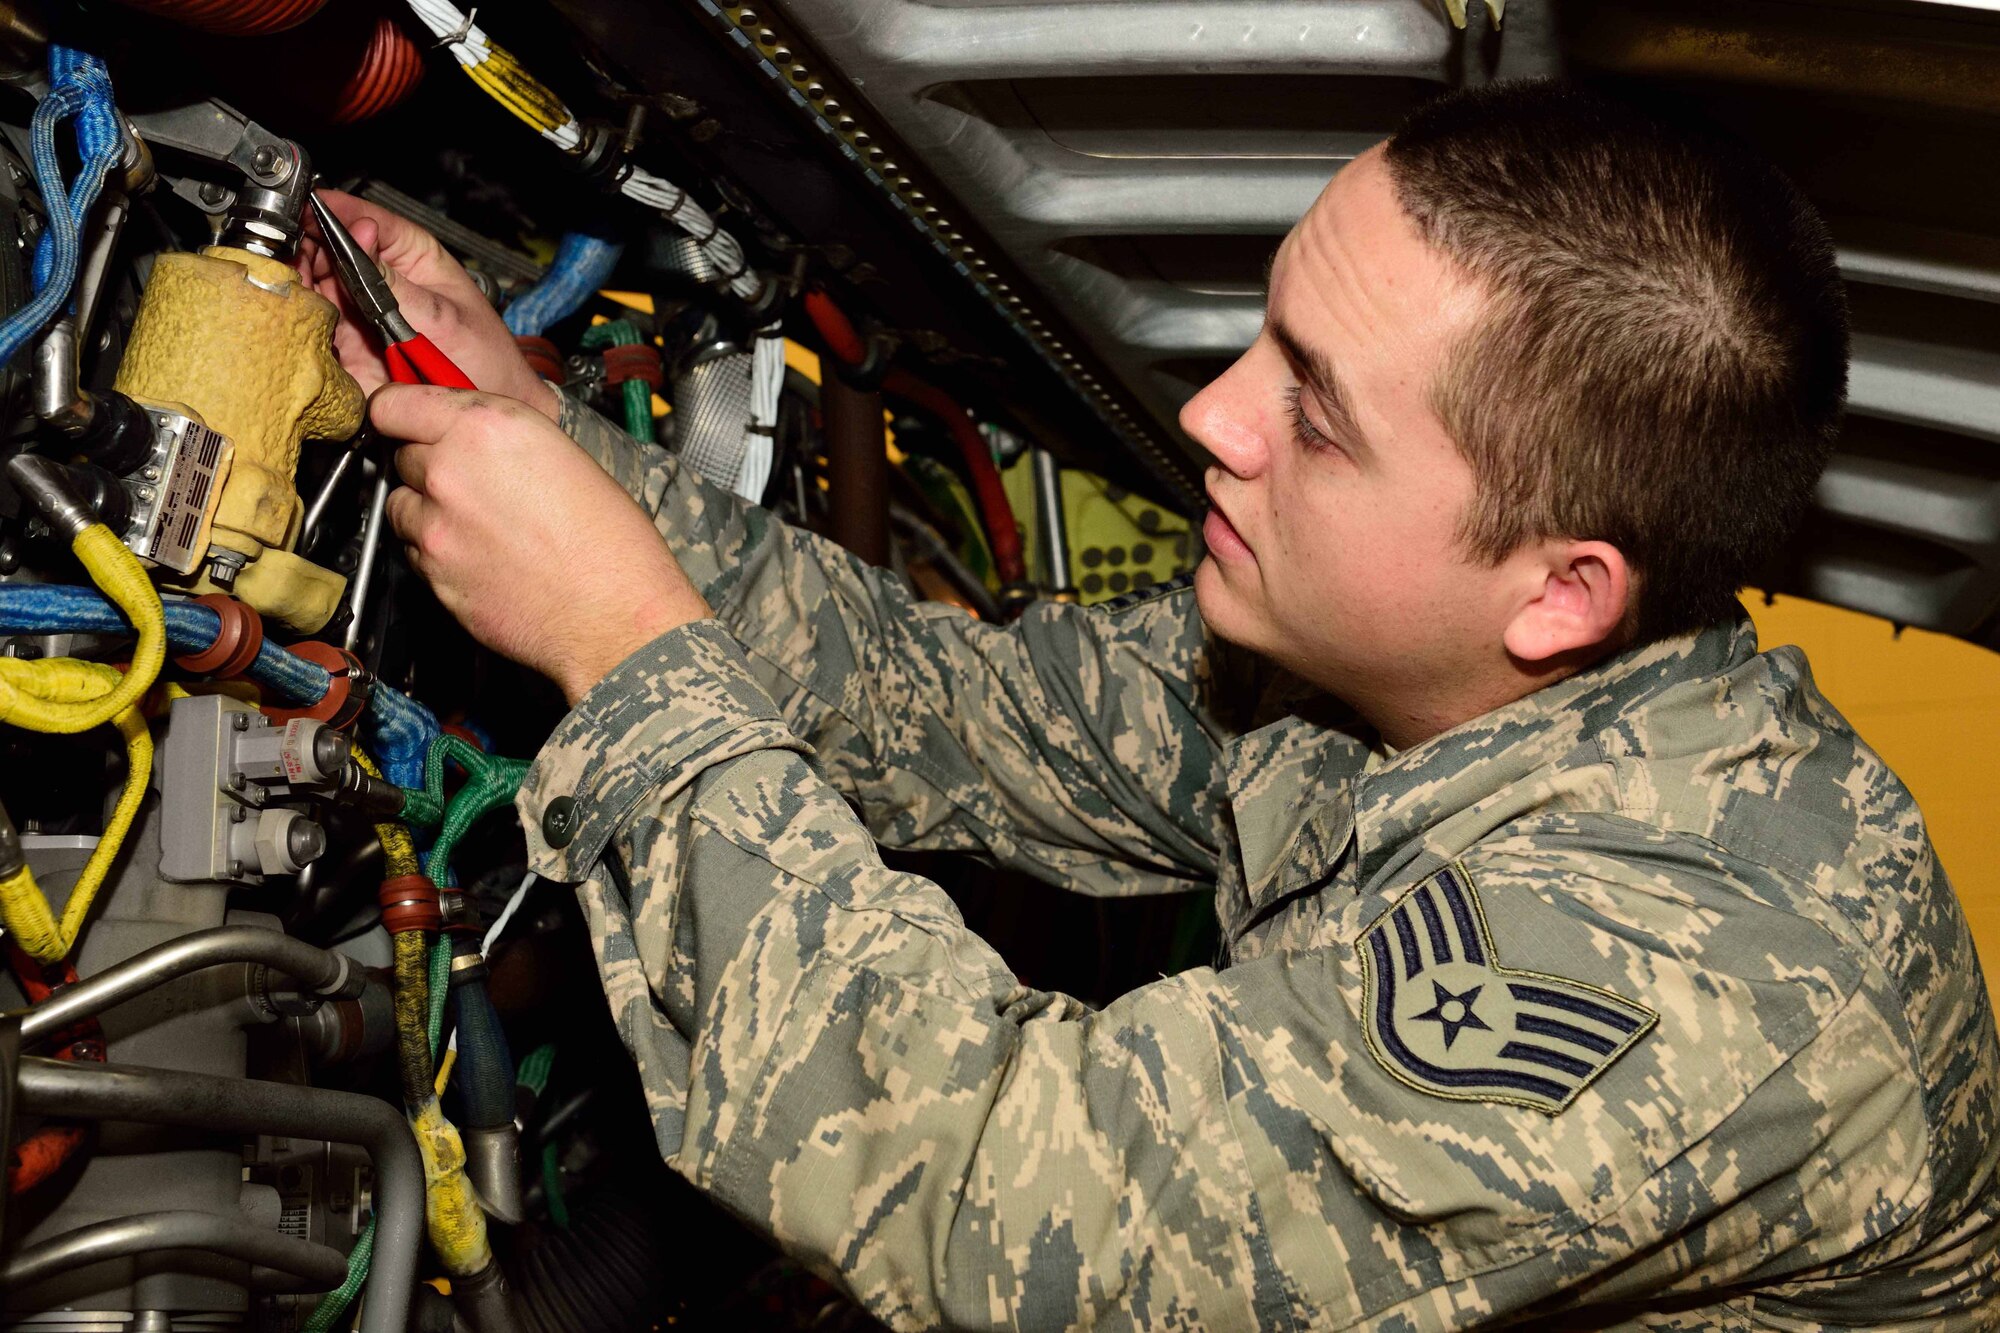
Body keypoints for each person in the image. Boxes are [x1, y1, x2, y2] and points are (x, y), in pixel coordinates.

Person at [302, 80, 1999, 1328]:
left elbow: (999, 1202)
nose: (1212, 417)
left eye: (1315, 415)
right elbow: (935, 702)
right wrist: (529, 421)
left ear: (1562, 591)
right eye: (1265, 335)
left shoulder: (1701, 984)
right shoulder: (1367, 672)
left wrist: (624, 653)